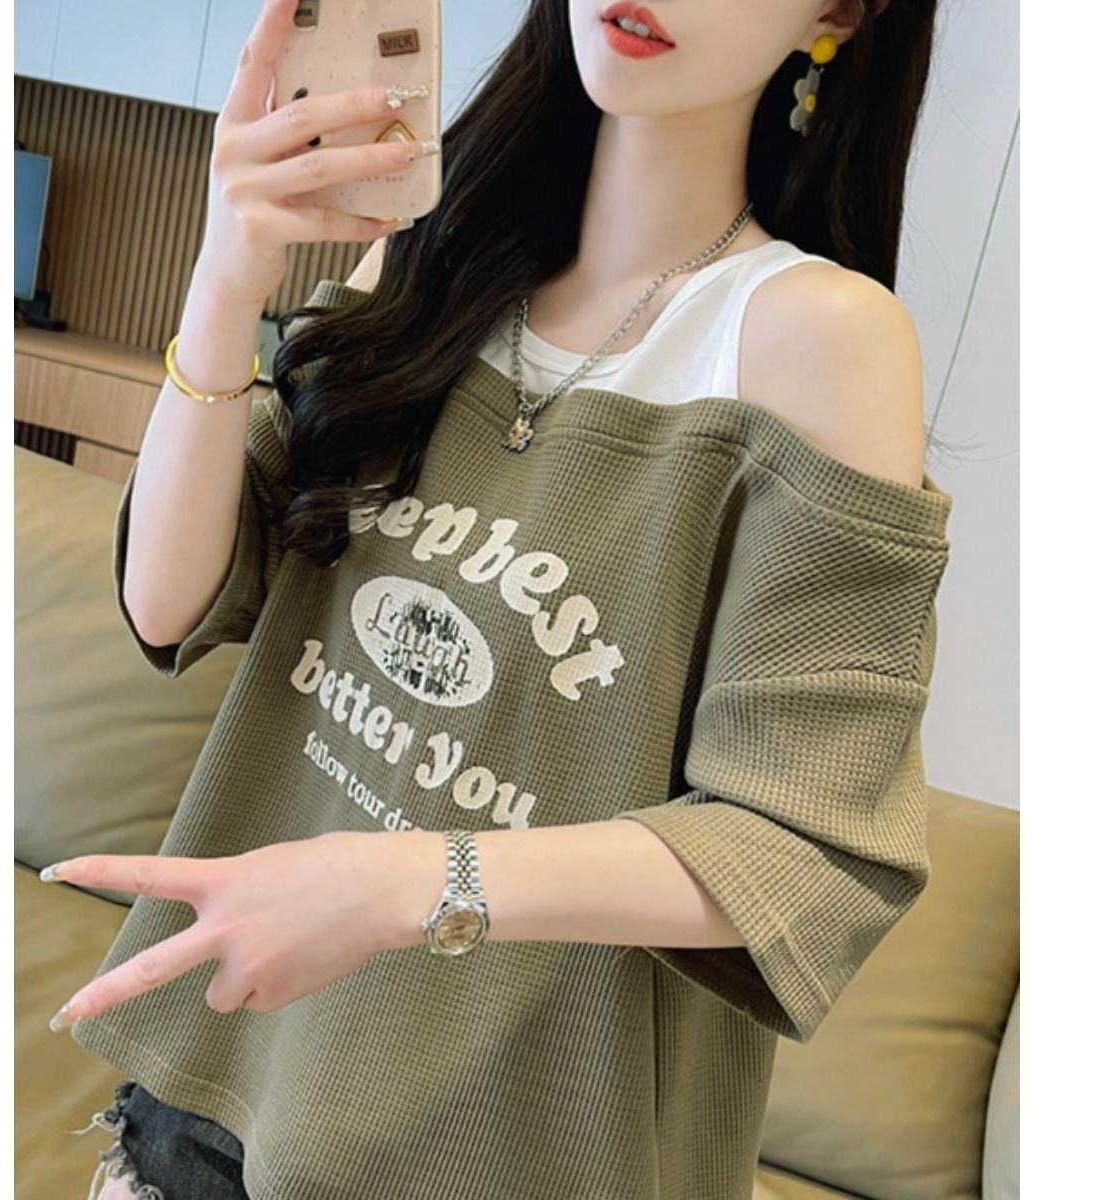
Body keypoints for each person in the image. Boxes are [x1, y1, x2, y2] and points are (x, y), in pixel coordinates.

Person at [49, 1, 953, 1197]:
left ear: (836, 12)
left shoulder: (820, 339)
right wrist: (226, 277)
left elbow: (800, 843)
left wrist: (405, 881)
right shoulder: (430, 263)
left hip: (498, 1156)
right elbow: (167, 602)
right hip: (203, 1114)